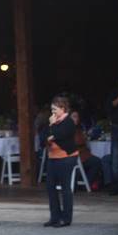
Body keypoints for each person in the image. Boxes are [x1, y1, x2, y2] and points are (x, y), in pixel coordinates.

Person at [45, 95, 78, 228]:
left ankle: (66, 218)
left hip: (66, 157)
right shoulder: (53, 122)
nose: (53, 112)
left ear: (63, 109)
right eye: (52, 109)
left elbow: (59, 135)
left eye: (55, 109)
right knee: (50, 187)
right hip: (53, 157)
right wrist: (50, 126)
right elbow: (44, 136)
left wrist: (52, 129)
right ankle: (55, 217)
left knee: (65, 187)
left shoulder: (68, 122)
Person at [70, 110, 104, 191]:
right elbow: (77, 142)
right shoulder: (69, 129)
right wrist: (84, 137)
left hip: (83, 154)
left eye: (77, 117)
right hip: (77, 156)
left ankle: (87, 182)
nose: (77, 119)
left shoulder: (79, 128)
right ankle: (86, 183)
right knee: (96, 162)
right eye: (74, 117)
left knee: (97, 161)